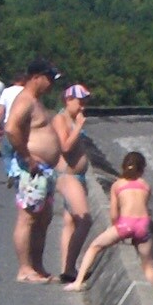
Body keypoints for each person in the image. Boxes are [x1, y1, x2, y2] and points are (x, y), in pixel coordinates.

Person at [1, 61, 63, 282]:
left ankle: (37, 266)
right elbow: (11, 127)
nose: (51, 85)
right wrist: (27, 156)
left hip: (45, 170)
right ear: (37, 77)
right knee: (27, 217)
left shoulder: (36, 101)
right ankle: (25, 269)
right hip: (32, 169)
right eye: (49, 79)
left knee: (43, 218)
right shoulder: (25, 100)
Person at [67, 150, 153, 291]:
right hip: (142, 224)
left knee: (95, 246)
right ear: (142, 169)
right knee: (147, 264)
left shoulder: (118, 185)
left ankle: (78, 282)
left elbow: (114, 213)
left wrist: (116, 228)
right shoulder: (146, 185)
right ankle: (152, 292)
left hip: (126, 224)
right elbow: (144, 207)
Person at [52, 82, 96, 282]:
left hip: (77, 176)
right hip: (67, 176)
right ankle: (69, 268)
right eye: (80, 102)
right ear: (68, 100)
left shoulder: (71, 118)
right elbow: (65, 147)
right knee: (85, 220)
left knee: (70, 222)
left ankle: (67, 269)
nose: (83, 107)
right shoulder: (61, 119)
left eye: (85, 102)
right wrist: (78, 127)